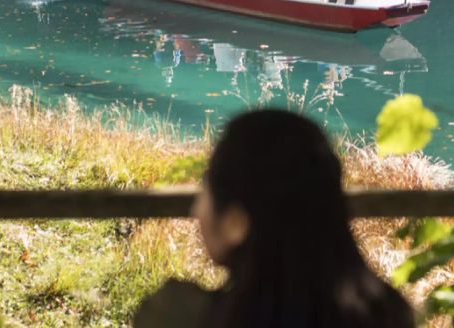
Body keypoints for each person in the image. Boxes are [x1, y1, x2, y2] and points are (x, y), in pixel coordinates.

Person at [134, 110, 415, 328]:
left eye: (205, 189)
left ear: (236, 223)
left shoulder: (178, 316)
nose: (196, 210)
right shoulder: (388, 312)